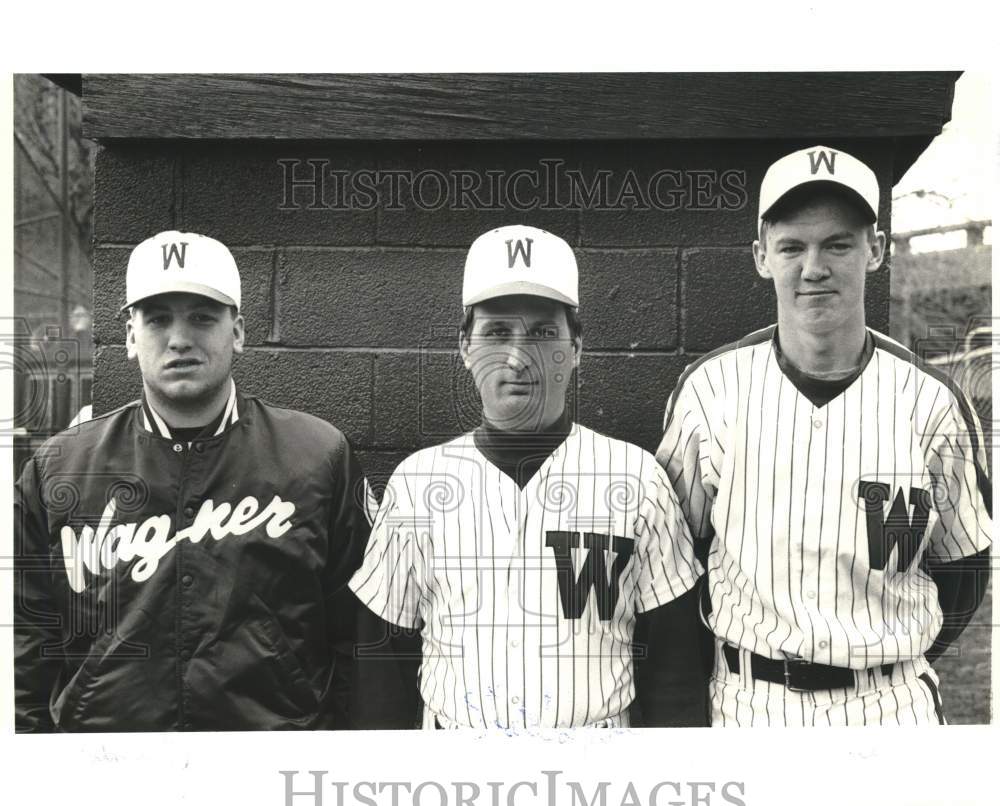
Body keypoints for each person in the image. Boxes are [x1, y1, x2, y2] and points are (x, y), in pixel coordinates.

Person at [656, 146, 992, 726]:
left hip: (891, 705)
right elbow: (675, 569)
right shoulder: (710, 391)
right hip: (748, 704)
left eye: (838, 243)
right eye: (793, 246)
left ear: (876, 250)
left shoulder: (933, 401)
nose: (814, 267)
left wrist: (884, 655)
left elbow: (965, 569)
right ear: (762, 257)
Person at [350, 224, 706, 729]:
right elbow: (381, 670)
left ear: (577, 347)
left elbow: (674, 670)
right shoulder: (417, 484)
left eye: (542, 333)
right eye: (497, 333)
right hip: (454, 770)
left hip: (598, 769)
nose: (518, 357)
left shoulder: (637, 478)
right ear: (465, 346)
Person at [14, 230, 370, 731]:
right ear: (131, 336)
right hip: (105, 768)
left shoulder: (316, 455)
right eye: (158, 319)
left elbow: (357, 640)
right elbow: (25, 643)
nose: (180, 338)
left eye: (202, 317)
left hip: (270, 765)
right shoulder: (62, 468)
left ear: (239, 331)